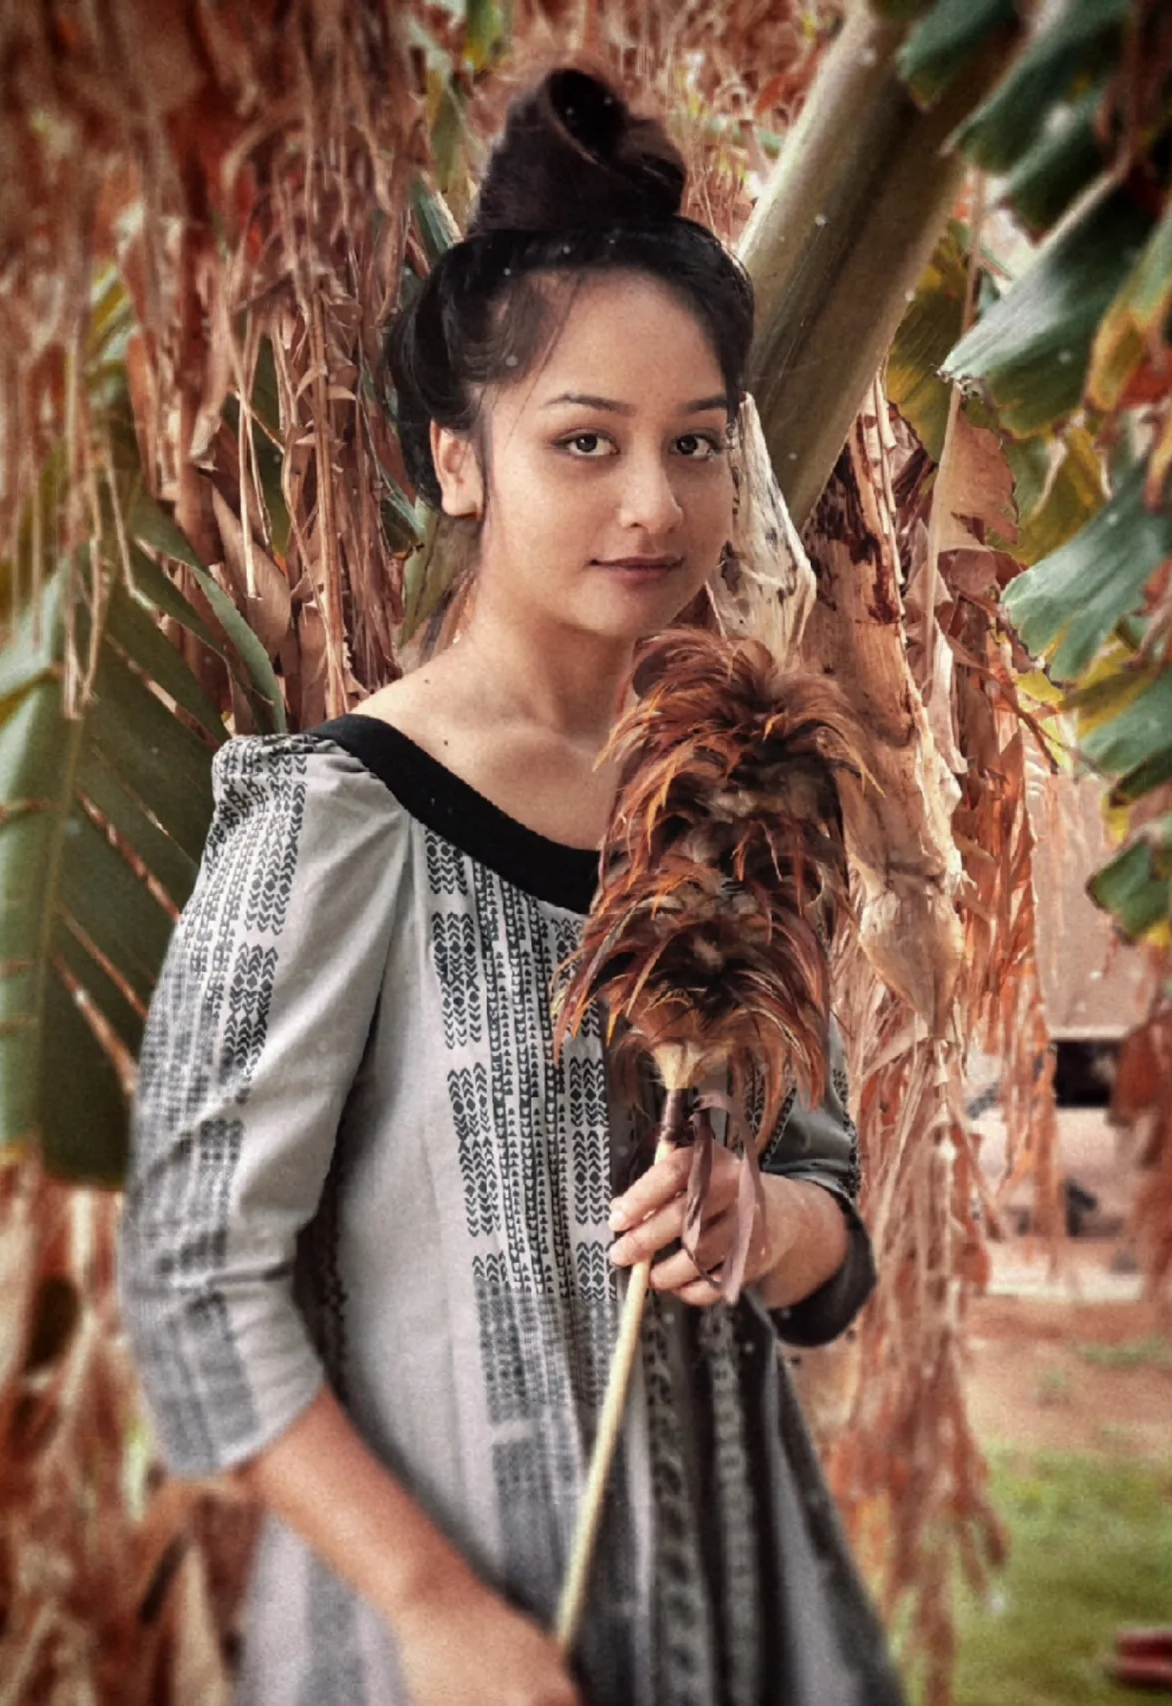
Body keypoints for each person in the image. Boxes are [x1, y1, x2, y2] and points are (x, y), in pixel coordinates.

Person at [119, 66, 906, 1706]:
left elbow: (835, 1229)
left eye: (697, 444)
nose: (653, 502)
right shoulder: (340, 817)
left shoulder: (732, 790)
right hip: (451, 1646)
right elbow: (198, 1279)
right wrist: (429, 1610)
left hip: (741, 1623)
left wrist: (766, 1227)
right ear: (460, 462)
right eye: (583, 442)